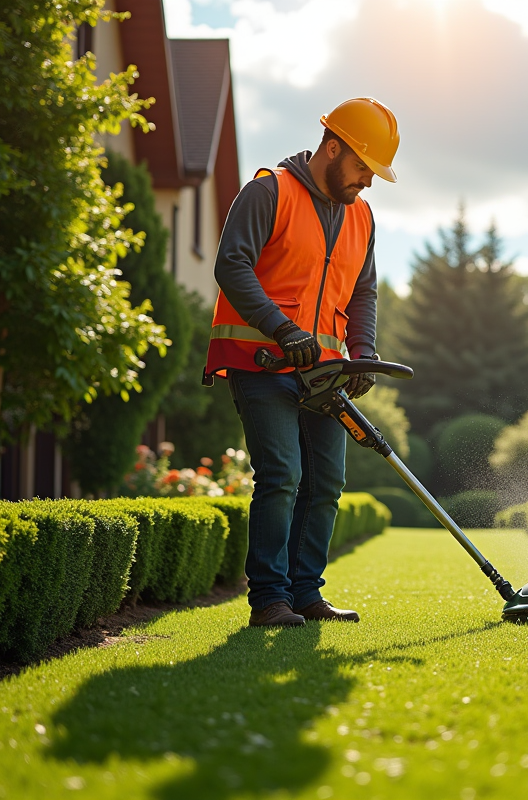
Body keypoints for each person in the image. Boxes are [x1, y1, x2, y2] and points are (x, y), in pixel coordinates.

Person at [203, 97, 400, 627]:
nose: (368, 181)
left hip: (325, 372)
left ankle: (306, 593)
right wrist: (282, 327)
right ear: (332, 148)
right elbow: (231, 264)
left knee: (326, 483)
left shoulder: (363, 217)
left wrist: (362, 354)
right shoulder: (269, 191)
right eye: (363, 167)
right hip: (261, 360)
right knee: (282, 474)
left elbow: (364, 292)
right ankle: (269, 599)